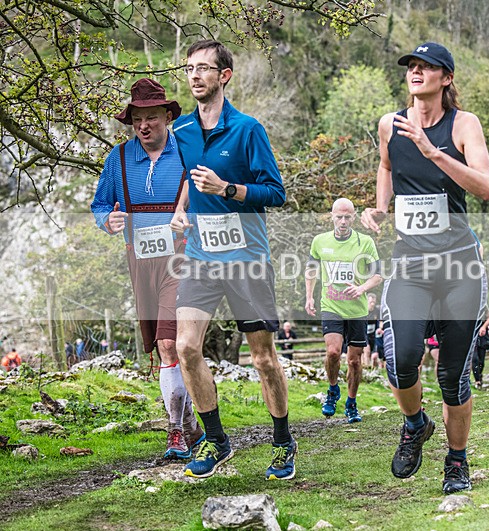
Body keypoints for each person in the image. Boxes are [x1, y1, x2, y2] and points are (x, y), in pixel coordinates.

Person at [360, 41, 489, 494]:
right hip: (411, 262)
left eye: (426, 67)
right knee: (400, 359)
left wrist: (434, 152)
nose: (415, 72)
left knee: (453, 373)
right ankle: (415, 424)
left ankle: (457, 462)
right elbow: (385, 167)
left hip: (459, 264)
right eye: (411, 67)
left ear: (446, 78)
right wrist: (381, 208)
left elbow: (486, 187)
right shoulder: (389, 125)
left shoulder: (464, 124)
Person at [169, 40, 292, 479]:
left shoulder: (248, 130)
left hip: (246, 259)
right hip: (201, 257)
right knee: (186, 347)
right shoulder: (181, 132)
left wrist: (228, 189)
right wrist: (181, 209)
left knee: (262, 358)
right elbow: (187, 176)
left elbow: (275, 193)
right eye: (189, 69)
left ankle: (282, 442)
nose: (195, 75)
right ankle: (216, 440)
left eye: (204, 68)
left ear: (225, 76)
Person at [91, 78, 204, 461]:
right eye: (138, 118)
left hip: (182, 260)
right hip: (140, 264)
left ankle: (174, 432)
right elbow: (100, 205)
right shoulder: (118, 159)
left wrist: (189, 213)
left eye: (152, 117)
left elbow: (209, 200)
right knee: (160, 345)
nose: (144, 125)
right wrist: (109, 221)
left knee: (170, 343)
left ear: (167, 117)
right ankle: (189, 425)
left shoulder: (188, 154)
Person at [305, 198, 382, 424]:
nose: (343, 221)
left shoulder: (365, 242)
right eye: (339, 216)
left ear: (354, 218)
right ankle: (332, 390)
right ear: (332, 216)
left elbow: (377, 275)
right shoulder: (320, 241)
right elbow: (311, 270)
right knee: (333, 352)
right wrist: (309, 297)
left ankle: (351, 402)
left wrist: (361, 288)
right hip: (331, 306)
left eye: (348, 217)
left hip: (357, 310)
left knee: (355, 361)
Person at [365, 293, 382, 369]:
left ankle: (373, 370)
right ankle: (366, 368)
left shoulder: (377, 310)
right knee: (367, 351)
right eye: (371, 301)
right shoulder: (364, 310)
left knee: (374, 355)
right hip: (365, 334)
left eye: (374, 302)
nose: (372, 304)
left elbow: (381, 321)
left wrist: (380, 328)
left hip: (374, 335)